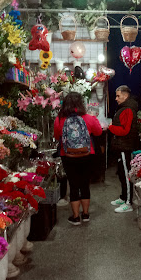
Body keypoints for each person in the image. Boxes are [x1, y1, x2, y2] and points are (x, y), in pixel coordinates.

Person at [54, 92, 102, 225]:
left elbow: (57, 135)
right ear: (81, 103)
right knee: (85, 184)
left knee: (74, 185)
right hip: (87, 155)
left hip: (68, 156)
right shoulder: (88, 118)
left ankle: (75, 217)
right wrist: (94, 118)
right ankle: (85, 214)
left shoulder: (59, 119)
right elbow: (98, 132)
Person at [108, 85, 139, 213]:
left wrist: (110, 127)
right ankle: (123, 197)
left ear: (125, 96)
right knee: (121, 173)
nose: (116, 99)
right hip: (121, 145)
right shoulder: (124, 108)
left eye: (118, 96)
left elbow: (125, 130)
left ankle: (128, 203)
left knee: (126, 174)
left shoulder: (128, 110)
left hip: (124, 146)